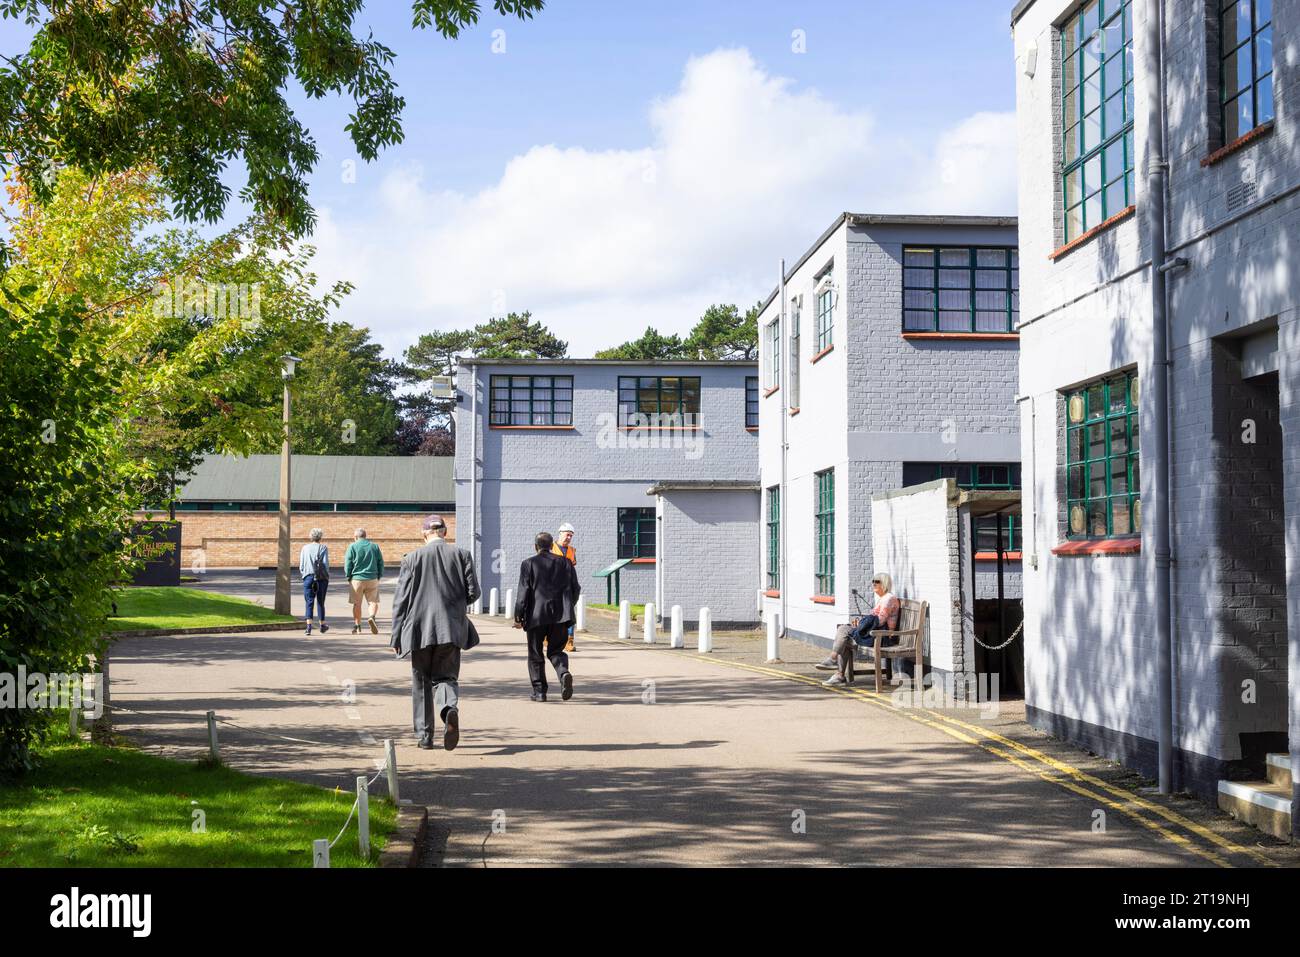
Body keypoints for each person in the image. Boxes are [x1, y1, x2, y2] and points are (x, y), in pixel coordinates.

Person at [390, 514, 480, 750]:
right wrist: (456, 602)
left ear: (424, 534)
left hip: (418, 630)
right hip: (451, 627)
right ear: (445, 532)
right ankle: (449, 708)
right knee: (446, 677)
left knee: (421, 682)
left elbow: (401, 600)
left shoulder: (412, 558)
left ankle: (424, 736)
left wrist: (396, 635)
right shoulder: (461, 555)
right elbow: (474, 592)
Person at [514, 531, 580, 702]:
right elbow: (576, 589)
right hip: (560, 616)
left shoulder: (528, 564)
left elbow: (524, 591)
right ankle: (563, 672)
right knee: (556, 650)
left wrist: (518, 616)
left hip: (536, 616)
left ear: (536, 547)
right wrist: (568, 606)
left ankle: (540, 692)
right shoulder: (566, 563)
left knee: (535, 653)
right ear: (552, 546)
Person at [816, 572, 900, 686]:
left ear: (884, 583)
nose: (873, 584)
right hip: (875, 635)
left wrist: (862, 625)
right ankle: (838, 673)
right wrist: (861, 624)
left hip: (881, 637)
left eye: (877, 582)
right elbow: (874, 620)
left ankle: (835, 664)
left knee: (843, 631)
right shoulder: (883, 598)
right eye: (873, 581)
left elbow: (879, 621)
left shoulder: (889, 599)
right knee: (844, 633)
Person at [343, 528, 385, 635]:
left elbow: (348, 563)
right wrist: (379, 575)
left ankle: (357, 627)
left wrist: (348, 576)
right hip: (372, 578)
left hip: (357, 579)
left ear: (356, 537)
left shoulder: (352, 546)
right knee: (373, 601)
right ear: (365, 536)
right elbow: (380, 562)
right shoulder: (374, 546)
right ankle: (372, 617)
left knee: (357, 604)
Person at [551, 521, 578, 651]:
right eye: (567, 535)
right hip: (552, 587)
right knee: (550, 613)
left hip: (566, 587)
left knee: (569, 613)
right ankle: (546, 637)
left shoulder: (572, 551)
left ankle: (569, 641)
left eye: (571, 536)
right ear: (560, 534)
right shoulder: (550, 547)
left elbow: (573, 569)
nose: (569, 538)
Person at [299, 528, 330, 635]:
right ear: (320, 537)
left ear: (310, 536)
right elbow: (325, 564)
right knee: (321, 602)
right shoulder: (323, 547)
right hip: (321, 578)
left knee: (309, 601)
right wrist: (327, 576)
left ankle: (308, 627)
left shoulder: (305, 548)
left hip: (308, 577)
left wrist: (304, 575)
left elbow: (301, 565)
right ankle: (322, 625)